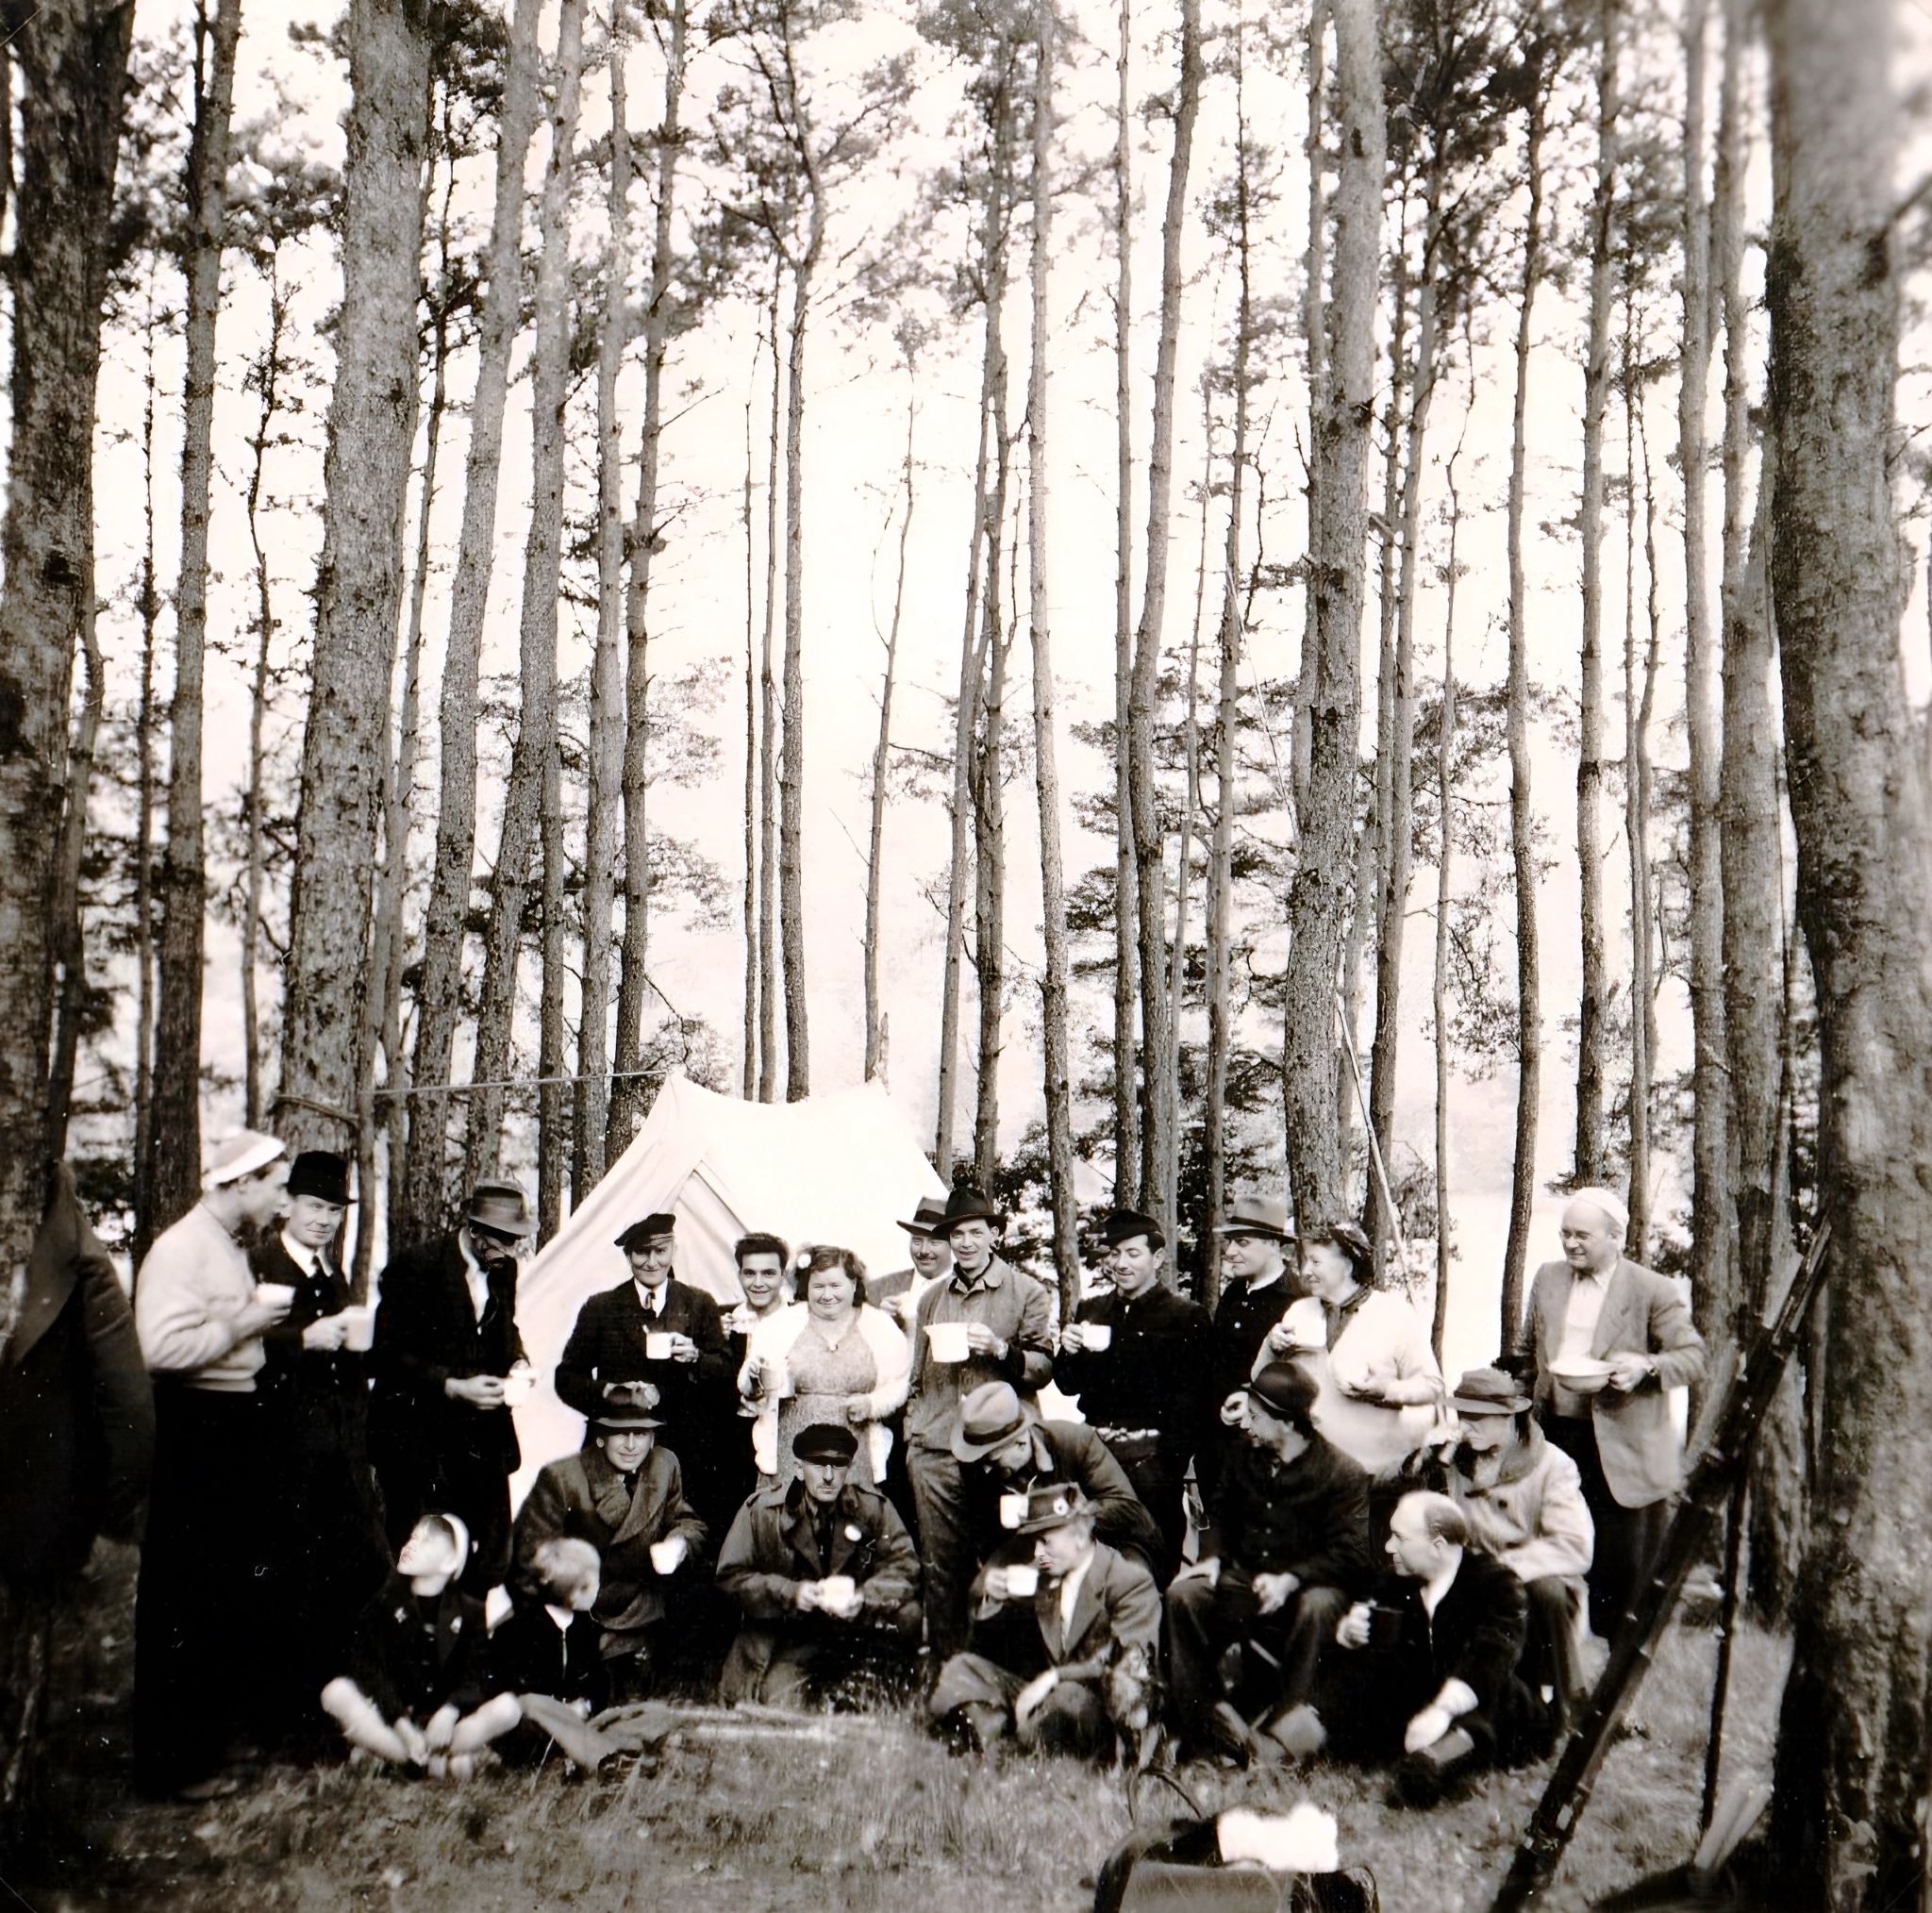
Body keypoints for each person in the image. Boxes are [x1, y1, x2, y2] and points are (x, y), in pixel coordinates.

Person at [132, 1128, 291, 1801]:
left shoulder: (225, 1247)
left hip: (230, 1423)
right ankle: (173, 1764)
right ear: (241, 1184)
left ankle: (208, 1743)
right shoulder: (181, 1249)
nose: (283, 1200)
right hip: (195, 1428)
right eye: (277, 1186)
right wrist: (246, 1325)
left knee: (224, 1587)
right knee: (184, 1592)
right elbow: (161, 1349)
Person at [1, 1162, 153, 1828]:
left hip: (31, 1501)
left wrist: (127, 1497)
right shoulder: (57, 1211)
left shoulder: (60, 1218)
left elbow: (121, 1377)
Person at [1514, 1187, 1705, 1639]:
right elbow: (1526, 1352)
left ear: (1616, 1237)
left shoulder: (1651, 1289)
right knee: (1553, 1552)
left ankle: (1613, 1678)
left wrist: (1647, 1367)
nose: (1571, 1244)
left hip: (1623, 1448)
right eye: (1565, 1234)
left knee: (1619, 1574)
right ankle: (1557, 1666)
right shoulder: (1548, 1278)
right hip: (1557, 1437)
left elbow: (1693, 1357)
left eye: (1583, 1235)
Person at [251, 1150, 391, 1749]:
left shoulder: (329, 1275)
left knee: (347, 1574)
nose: (325, 1219)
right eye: (315, 1207)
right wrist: (301, 1340)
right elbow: (244, 1352)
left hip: (334, 1459)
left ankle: (330, 1703)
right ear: (287, 1205)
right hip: (277, 1457)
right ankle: (285, 1719)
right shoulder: (262, 1265)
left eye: (335, 1210)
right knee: (283, 1586)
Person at [1163, 1362, 1370, 1764]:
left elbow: (1351, 1555)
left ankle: (1284, 1742)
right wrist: (1212, 1560)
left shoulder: (1344, 1474)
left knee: (1319, 1606)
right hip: (1245, 1578)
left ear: (1288, 1423)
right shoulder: (1244, 1455)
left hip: (1310, 1586)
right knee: (1183, 1594)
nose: (1246, 1425)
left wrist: (1292, 1580)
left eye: (1255, 1417)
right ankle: (1205, 1724)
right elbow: (1220, 1513)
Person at [902, 1186, 1055, 1662]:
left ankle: (1007, 1670)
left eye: (975, 1232)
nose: (965, 1243)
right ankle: (952, 1675)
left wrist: (1001, 1351)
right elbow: (917, 1374)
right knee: (942, 1568)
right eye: (956, 1235)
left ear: (994, 1234)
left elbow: (1045, 1368)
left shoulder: (1026, 1291)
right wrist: (914, 1429)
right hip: (936, 1451)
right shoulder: (931, 1298)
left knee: (1007, 1561)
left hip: (1000, 1454)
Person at [370, 1178, 534, 1596]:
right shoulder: (415, 1269)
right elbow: (385, 1355)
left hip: (483, 1437)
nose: (509, 1250)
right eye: (501, 1239)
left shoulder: (504, 1269)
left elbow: (505, 1329)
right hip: (417, 1435)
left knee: (493, 1555)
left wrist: (518, 1360)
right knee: (412, 1547)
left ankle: (464, 1642)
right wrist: (450, 1386)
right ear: (474, 1230)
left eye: (515, 1240)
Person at [1327, 1491, 1536, 1805]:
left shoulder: (1496, 1584)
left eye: (1399, 1538)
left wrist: (1442, 1710)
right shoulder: (1394, 1582)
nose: (1388, 1547)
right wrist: (1351, 1632)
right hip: (1417, 1702)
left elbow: (1492, 1655)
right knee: (1357, 1697)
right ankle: (1290, 1738)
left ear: (1437, 1546)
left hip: (1480, 1703)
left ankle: (1432, 1765)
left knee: (1479, 1721)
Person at [929, 1486, 1161, 1761]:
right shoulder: (1045, 1572)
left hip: (1100, 1709)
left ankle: (1013, 1748)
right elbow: (988, 1638)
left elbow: (1126, 1669)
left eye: (1046, 1542)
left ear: (1079, 1535)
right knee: (963, 1668)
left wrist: (1055, 1677)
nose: (1038, 1554)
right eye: (1035, 1544)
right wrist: (993, 1594)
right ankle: (994, 1744)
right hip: (1048, 1698)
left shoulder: (1127, 1581)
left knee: (1067, 1697)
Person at [511, 1399, 708, 1701]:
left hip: (644, 1603)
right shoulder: (564, 1478)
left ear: (653, 1438)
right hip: (587, 1610)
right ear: (600, 1437)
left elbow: (683, 1517)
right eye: (620, 1434)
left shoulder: (664, 1464)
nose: (631, 1445)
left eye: (641, 1434)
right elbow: (528, 1559)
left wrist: (678, 1543)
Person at [1433, 1366, 1592, 1738]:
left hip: (1529, 1577)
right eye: (1461, 1415)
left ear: (1509, 1418)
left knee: (1547, 1592)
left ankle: (1565, 1705)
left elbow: (1574, 1545)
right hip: (1469, 1577)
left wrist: (1506, 1568)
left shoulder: (1552, 1465)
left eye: (1478, 1418)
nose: (1465, 1426)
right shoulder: (1452, 1461)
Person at [715, 1422, 922, 1707]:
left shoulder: (871, 1507)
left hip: (853, 1633)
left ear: (848, 1468)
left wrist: (864, 1597)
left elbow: (906, 1564)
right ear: (799, 1469)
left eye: (838, 1466)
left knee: (908, 1615)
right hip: (790, 1637)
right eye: (818, 1465)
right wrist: (790, 1593)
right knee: (778, 1706)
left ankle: (884, 1688)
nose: (828, 1477)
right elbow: (729, 1577)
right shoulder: (763, 1512)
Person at [1053, 1207, 1212, 1577]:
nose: (1120, 1263)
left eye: (1132, 1253)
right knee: (1090, 1561)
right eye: (1114, 1254)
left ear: (1157, 1258)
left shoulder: (1185, 1316)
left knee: (1150, 1562)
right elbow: (1067, 1383)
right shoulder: (1092, 1310)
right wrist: (1068, 1348)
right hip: (1095, 1458)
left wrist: (1165, 1465)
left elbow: (1195, 1404)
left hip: (1151, 1464)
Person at [553, 1212, 736, 1533]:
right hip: (617, 1444)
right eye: (641, 1253)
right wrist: (609, 1391)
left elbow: (724, 1372)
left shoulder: (698, 1304)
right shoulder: (601, 1307)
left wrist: (695, 1358)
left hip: (685, 1448)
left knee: (678, 1538)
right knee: (609, 1537)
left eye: (660, 1251)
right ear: (628, 1256)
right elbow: (566, 1378)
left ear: (673, 1251)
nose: (652, 1262)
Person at [321, 1512, 521, 1778]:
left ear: (450, 1561)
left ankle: (406, 1761)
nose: (410, 1544)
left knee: (509, 1708)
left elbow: (474, 1677)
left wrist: (449, 1712)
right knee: (335, 1692)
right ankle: (422, 1761)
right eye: (413, 1537)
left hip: (445, 1727)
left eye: (425, 1541)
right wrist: (403, 1726)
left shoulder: (470, 1610)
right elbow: (374, 1674)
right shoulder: (385, 1603)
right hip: (396, 1722)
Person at [1257, 1219, 1443, 1476]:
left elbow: (1432, 1387)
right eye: (1304, 1261)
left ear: (1347, 1263)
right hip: (1309, 1476)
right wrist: (1271, 1347)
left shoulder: (1394, 1313)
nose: (1304, 1271)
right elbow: (1261, 1383)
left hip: (1373, 1478)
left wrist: (1387, 1390)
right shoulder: (1299, 1313)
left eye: (1315, 1261)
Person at [951, 1381, 1165, 1595]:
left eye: (994, 1458)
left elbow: (1127, 1508)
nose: (987, 1467)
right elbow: (989, 1542)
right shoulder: (979, 1468)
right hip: (1041, 1557)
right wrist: (999, 1574)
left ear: (1021, 1442)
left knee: (1126, 1584)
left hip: (1108, 1544)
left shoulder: (1074, 1441)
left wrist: (1055, 1513)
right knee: (994, 1600)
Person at [740, 1246, 911, 1489]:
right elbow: (748, 1387)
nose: (826, 1295)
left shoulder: (880, 1327)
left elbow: (899, 1385)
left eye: (835, 1286)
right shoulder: (780, 1325)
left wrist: (872, 1405)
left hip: (855, 1457)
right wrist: (753, 1376)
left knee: (849, 1522)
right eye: (818, 1286)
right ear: (806, 1286)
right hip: (791, 1456)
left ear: (854, 1284)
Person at [1201, 1194, 1299, 1497]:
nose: (1229, 1252)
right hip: (1218, 1454)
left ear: (1273, 1245)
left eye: (1242, 1243)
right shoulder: (1232, 1293)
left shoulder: (1297, 1301)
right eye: (1229, 1243)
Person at [719, 1233, 793, 1512]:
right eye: (749, 1273)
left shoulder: (797, 1323)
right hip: (733, 1440)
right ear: (739, 1274)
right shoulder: (725, 1321)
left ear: (783, 1276)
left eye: (768, 1273)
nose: (758, 1283)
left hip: (780, 1434)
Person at [868, 1195, 952, 1320]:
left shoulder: (970, 1293)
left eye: (934, 1242)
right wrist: (879, 1319)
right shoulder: (877, 1290)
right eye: (917, 1241)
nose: (924, 1251)